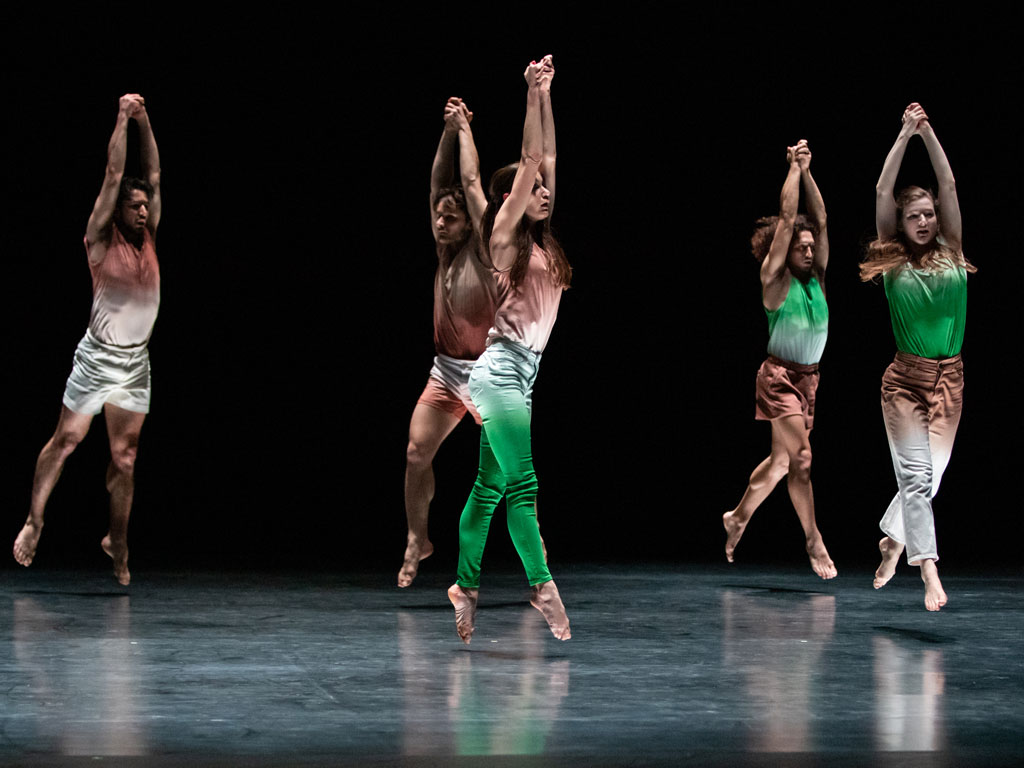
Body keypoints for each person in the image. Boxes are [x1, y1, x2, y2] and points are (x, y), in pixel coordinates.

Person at [12, 94, 162, 586]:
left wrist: (145, 121)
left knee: (125, 458)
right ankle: (35, 520)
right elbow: (114, 177)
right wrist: (122, 118)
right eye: (135, 207)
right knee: (68, 440)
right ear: (116, 211)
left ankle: (117, 540)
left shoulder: (149, 239)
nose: (142, 212)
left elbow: (154, 177)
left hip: (135, 363)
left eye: (145, 208)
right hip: (97, 359)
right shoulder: (101, 239)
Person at [447, 55, 571, 643]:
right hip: (498, 373)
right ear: (510, 200)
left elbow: (544, 159)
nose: (543, 191)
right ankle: (542, 585)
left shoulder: (543, 245)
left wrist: (547, 95)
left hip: (523, 376)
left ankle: (464, 588)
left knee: (489, 487)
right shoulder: (501, 236)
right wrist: (527, 90)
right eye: (533, 191)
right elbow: (529, 162)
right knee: (524, 486)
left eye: (546, 189)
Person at [863, 103, 973, 612]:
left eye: (928, 214)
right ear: (901, 224)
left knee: (933, 477)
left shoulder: (951, 247)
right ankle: (928, 571)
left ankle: (892, 540)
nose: (925, 221)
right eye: (915, 216)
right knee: (916, 480)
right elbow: (883, 192)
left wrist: (930, 133)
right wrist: (905, 133)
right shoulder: (890, 257)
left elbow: (948, 186)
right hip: (905, 382)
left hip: (950, 379)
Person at [722, 140, 837, 580]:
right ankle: (813, 539)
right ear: (783, 252)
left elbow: (820, 222)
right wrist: (793, 166)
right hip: (779, 379)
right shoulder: (775, 282)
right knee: (803, 459)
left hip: (809, 379)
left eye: (811, 247)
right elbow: (789, 219)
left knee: (783, 463)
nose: (808, 251)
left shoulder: (819, 279)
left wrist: (809, 173)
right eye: (799, 246)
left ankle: (737, 516)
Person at [398, 96, 497, 587]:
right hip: (446, 371)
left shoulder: (483, 243)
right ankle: (419, 537)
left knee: (512, 477)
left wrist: (465, 132)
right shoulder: (443, 246)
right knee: (417, 453)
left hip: (488, 372)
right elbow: (439, 182)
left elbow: (470, 184)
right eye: (438, 217)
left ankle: (533, 554)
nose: (440, 223)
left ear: (468, 224)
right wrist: (446, 130)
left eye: (449, 218)